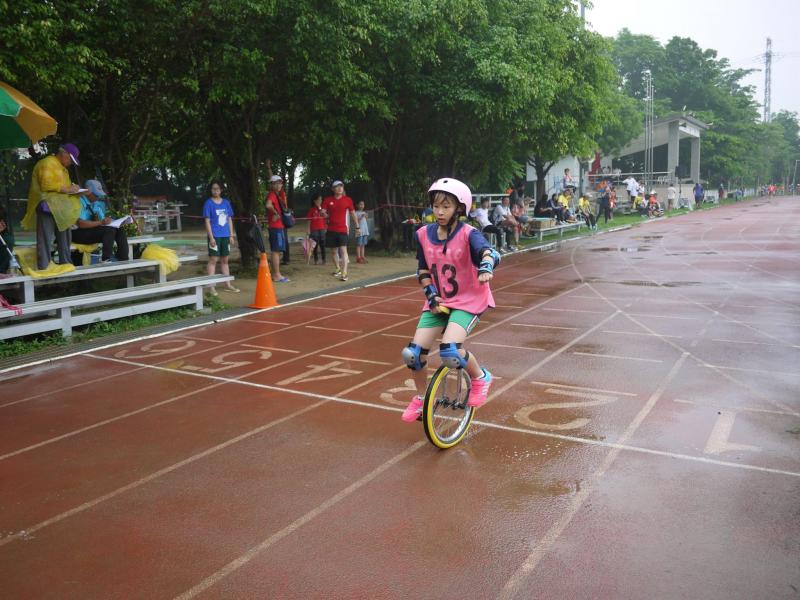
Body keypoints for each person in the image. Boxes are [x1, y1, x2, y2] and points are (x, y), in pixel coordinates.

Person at [400, 177, 500, 422]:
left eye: (446, 206)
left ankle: (481, 377)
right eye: (436, 206)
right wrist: (431, 295)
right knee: (412, 354)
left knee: (450, 351)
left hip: (469, 300)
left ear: (459, 208)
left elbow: (489, 252)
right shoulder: (424, 234)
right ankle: (422, 399)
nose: (440, 212)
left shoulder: (468, 234)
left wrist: (486, 266)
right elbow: (423, 270)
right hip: (439, 300)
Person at [21, 143, 83, 269]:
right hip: (47, 206)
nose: (70, 163)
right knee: (45, 238)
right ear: (64, 153)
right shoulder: (47, 163)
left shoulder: (62, 168)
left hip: (60, 209)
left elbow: (66, 188)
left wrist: (75, 189)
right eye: (70, 159)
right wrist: (68, 189)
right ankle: (44, 268)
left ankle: (66, 264)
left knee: (65, 237)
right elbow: (46, 185)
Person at [71, 179, 130, 263]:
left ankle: (123, 258)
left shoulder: (96, 203)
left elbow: (103, 221)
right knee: (109, 230)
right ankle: (106, 259)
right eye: (96, 195)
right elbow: (81, 224)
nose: (98, 197)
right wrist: (101, 222)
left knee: (118, 228)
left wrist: (113, 222)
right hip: (77, 233)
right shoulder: (79, 201)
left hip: (89, 231)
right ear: (88, 193)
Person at [202, 181, 239, 295]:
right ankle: (211, 286)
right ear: (211, 190)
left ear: (221, 190)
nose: (215, 191)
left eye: (217, 189)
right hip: (215, 236)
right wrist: (211, 237)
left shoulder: (226, 203)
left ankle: (227, 284)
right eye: (213, 189)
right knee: (213, 260)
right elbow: (207, 221)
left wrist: (231, 235)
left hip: (225, 236)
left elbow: (229, 219)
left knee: (225, 260)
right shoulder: (208, 203)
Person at [323, 180, 359, 281]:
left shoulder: (348, 200)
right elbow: (323, 212)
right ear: (333, 189)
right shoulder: (327, 200)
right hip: (331, 229)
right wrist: (324, 214)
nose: (339, 188)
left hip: (342, 229)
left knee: (343, 250)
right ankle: (338, 268)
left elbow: (353, 213)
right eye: (337, 186)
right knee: (334, 251)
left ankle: (344, 272)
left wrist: (357, 226)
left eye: (341, 186)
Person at [265, 175, 289, 282]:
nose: (279, 185)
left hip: (278, 226)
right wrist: (275, 213)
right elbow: (268, 205)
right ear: (271, 184)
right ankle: (276, 275)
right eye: (276, 183)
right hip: (275, 227)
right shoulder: (272, 194)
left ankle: (276, 273)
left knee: (277, 251)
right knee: (276, 251)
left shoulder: (276, 195)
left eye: (280, 183)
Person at [306, 191, 327, 265]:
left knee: (323, 244)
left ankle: (324, 259)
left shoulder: (323, 209)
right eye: (318, 200)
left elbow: (326, 217)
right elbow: (309, 220)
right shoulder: (311, 210)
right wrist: (308, 230)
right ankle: (316, 259)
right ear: (314, 201)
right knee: (315, 245)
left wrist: (323, 212)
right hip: (314, 230)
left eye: (321, 199)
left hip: (322, 229)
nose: (320, 201)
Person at [354, 200, 369, 264]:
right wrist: (362, 216)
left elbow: (366, 220)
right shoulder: (356, 213)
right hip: (359, 231)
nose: (362, 206)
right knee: (358, 245)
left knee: (363, 245)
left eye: (363, 204)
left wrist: (366, 216)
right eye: (360, 204)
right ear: (357, 205)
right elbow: (356, 221)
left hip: (365, 231)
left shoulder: (364, 212)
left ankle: (362, 257)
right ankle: (358, 258)